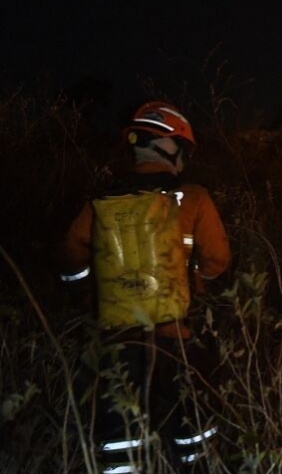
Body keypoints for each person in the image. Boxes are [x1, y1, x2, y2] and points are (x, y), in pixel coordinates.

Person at [59, 101, 231, 473]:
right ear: (169, 147)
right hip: (178, 341)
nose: (184, 159)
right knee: (193, 438)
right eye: (183, 150)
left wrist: (93, 297)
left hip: (119, 343)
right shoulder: (194, 198)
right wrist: (193, 282)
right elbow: (218, 260)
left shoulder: (100, 203)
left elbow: (70, 260)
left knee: (120, 445)